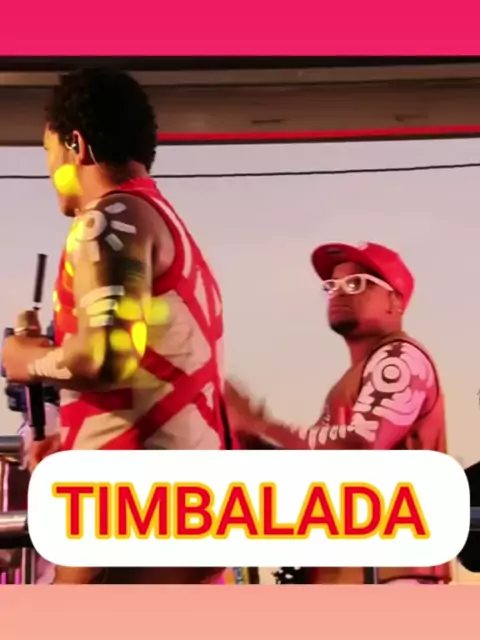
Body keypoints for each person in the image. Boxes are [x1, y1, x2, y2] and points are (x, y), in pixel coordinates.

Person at [2, 68, 231, 584]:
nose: (49, 171)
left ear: (76, 145)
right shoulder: (168, 227)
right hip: (180, 516)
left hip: (126, 514)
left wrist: (23, 360)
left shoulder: (109, 219)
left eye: (49, 153)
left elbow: (107, 356)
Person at [225, 241, 450, 585]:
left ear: (395, 301)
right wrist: (248, 436)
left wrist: (260, 423)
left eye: (357, 283)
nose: (339, 292)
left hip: (394, 578)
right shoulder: (357, 377)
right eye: (332, 285)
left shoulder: (400, 358)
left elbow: (360, 446)